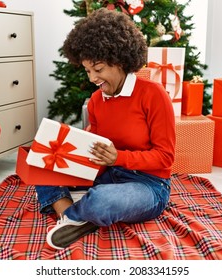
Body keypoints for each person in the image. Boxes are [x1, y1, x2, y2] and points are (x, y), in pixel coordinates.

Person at [36, 7, 176, 250]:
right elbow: (95, 154)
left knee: (103, 200)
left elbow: (165, 158)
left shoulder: (154, 95)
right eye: (88, 70)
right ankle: (74, 217)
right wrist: (68, 154)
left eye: (98, 69)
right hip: (106, 176)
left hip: (149, 185)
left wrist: (118, 157)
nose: (92, 78)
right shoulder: (96, 101)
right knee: (41, 164)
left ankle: (72, 213)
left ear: (120, 60)